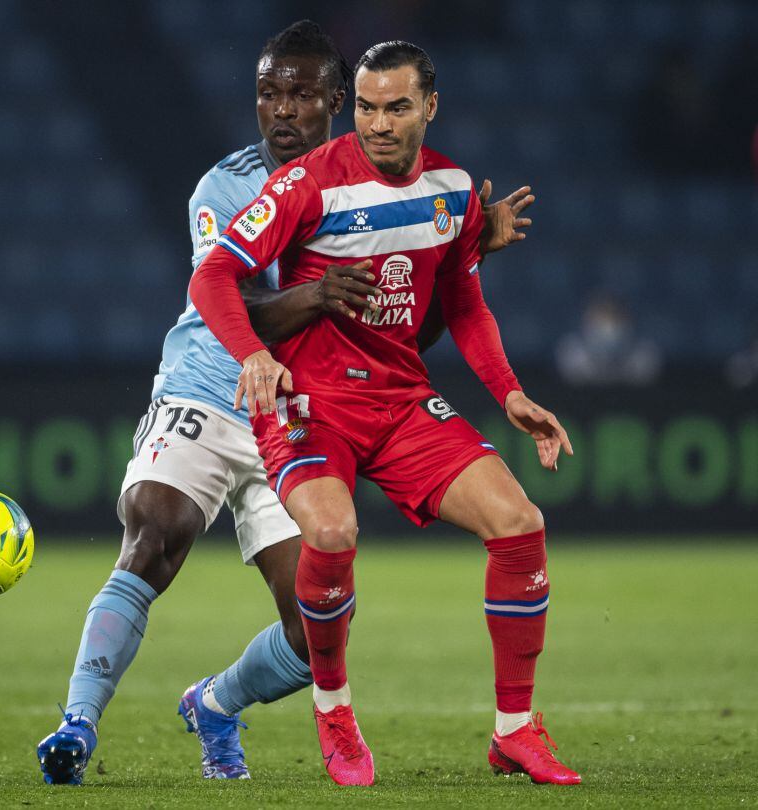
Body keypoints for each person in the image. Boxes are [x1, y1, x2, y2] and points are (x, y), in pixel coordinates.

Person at [36, 22, 534, 786]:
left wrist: (458, 253)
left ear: (340, 102)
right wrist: (313, 296)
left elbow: (411, 337)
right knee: (157, 529)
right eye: (269, 92)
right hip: (215, 382)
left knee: (316, 624)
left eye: (302, 94)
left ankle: (214, 703)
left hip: (306, 410)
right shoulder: (224, 187)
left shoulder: (384, 191)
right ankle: (75, 725)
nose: (283, 109)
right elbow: (227, 305)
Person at [188, 40, 579, 787]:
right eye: (365, 107)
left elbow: (463, 302)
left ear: (430, 107)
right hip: (309, 403)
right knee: (332, 533)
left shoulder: (454, 190)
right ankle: (334, 712)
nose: (377, 123)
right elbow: (213, 276)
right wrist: (254, 356)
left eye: (396, 107)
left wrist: (511, 393)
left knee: (520, 524)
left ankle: (516, 731)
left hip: (398, 399)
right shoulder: (308, 183)